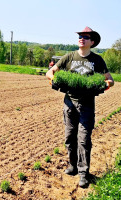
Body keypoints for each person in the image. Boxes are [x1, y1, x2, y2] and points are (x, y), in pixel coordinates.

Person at [46, 26, 114, 188]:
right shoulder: (69, 57)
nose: (81, 38)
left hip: (87, 105)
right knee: (70, 138)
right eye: (80, 36)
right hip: (69, 103)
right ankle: (73, 165)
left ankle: (84, 173)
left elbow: (110, 80)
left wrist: (102, 85)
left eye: (85, 36)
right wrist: (52, 79)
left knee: (83, 140)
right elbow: (50, 72)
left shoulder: (97, 60)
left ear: (92, 42)